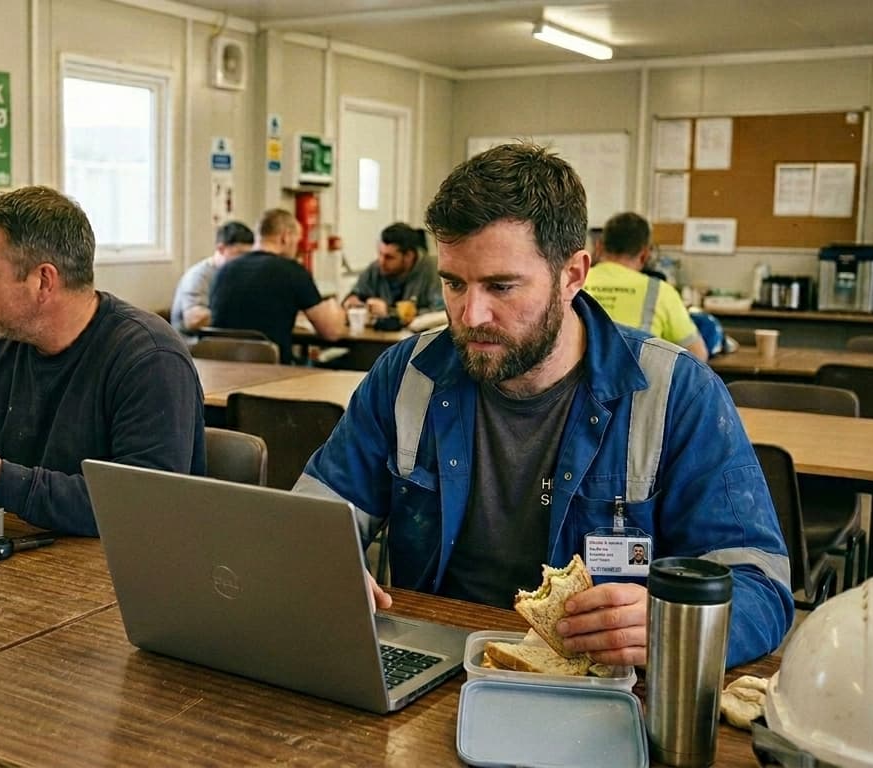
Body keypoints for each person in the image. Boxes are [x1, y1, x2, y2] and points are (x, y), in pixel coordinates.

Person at [295, 143, 792, 668]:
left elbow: (759, 583)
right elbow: (313, 514)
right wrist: (321, 562)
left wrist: (673, 625)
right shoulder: (408, 374)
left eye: (501, 286)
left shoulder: (676, 393)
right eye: (454, 283)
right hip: (434, 667)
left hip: (598, 689)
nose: (471, 314)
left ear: (573, 275)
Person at [0, 186, 205, 537]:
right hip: (19, 557)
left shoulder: (150, 360)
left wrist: (1, 481)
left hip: (118, 566)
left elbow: (143, 506)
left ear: (43, 281)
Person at [209, 209, 346, 364]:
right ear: (285, 237)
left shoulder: (224, 271)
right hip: (272, 370)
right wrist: (335, 308)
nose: (297, 248)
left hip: (221, 367)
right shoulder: (292, 271)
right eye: (297, 241)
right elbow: (331, 332)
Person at [583, 212, 708, 359]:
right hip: (638, 373)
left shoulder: (576, 280)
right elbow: (698, 355)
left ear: (599, 246)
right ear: (645, 254)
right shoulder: (660, 291)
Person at [342, 222, 444, 318]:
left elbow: (440, 313)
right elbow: (357, 292)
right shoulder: (376, 268)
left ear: (409, 256)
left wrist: (391, 312)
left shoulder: (435, 270)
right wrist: (352, 300)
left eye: (389, 257)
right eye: (380, 253)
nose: (381, 261)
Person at [170, 220, 254, 332]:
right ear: (221, 249)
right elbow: (193, 320)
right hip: (194, 340)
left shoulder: (237, 274)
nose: (245, 260)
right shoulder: (198, 276)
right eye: (240, 253)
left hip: (221, 337)